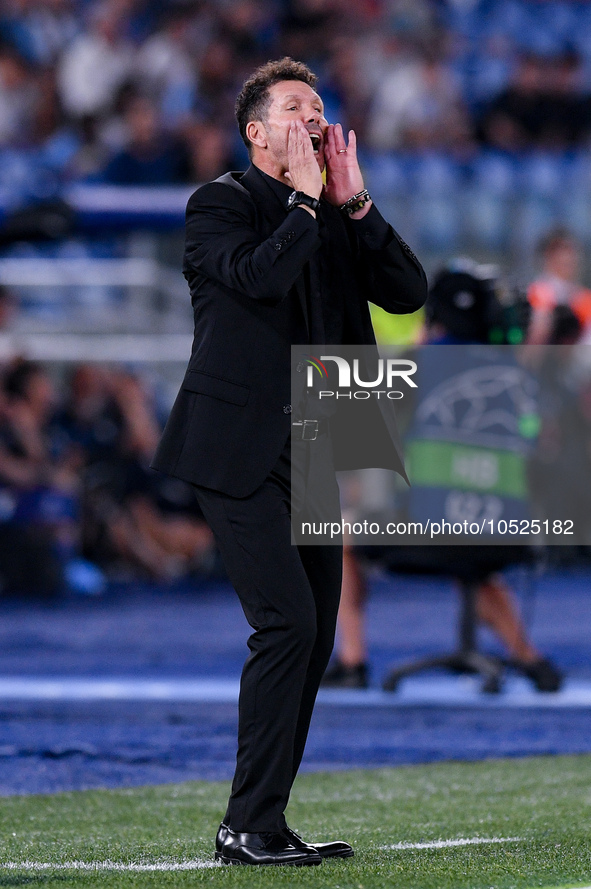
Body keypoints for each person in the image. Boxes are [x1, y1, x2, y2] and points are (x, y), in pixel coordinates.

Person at [151, 57, 427, 866]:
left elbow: (407, 291)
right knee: (288, 623)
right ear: (257, 132)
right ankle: (244, 825)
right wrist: (308, 201)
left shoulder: (336, 209)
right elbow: (257, 279)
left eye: (319, 107)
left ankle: (263, 822)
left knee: (309, 638)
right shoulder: (220, 204)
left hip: (312, 441)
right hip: (233, 445)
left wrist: (355, 200)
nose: (313, 118)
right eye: (296, 108)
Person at [323, 261, 563, 693]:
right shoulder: (515, 374)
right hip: (507, 536)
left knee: (340, 534)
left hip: (436, 533)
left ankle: (353, 661)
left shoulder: (417, 365)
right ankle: (530, 659)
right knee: (474, 555)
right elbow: (543, 447)